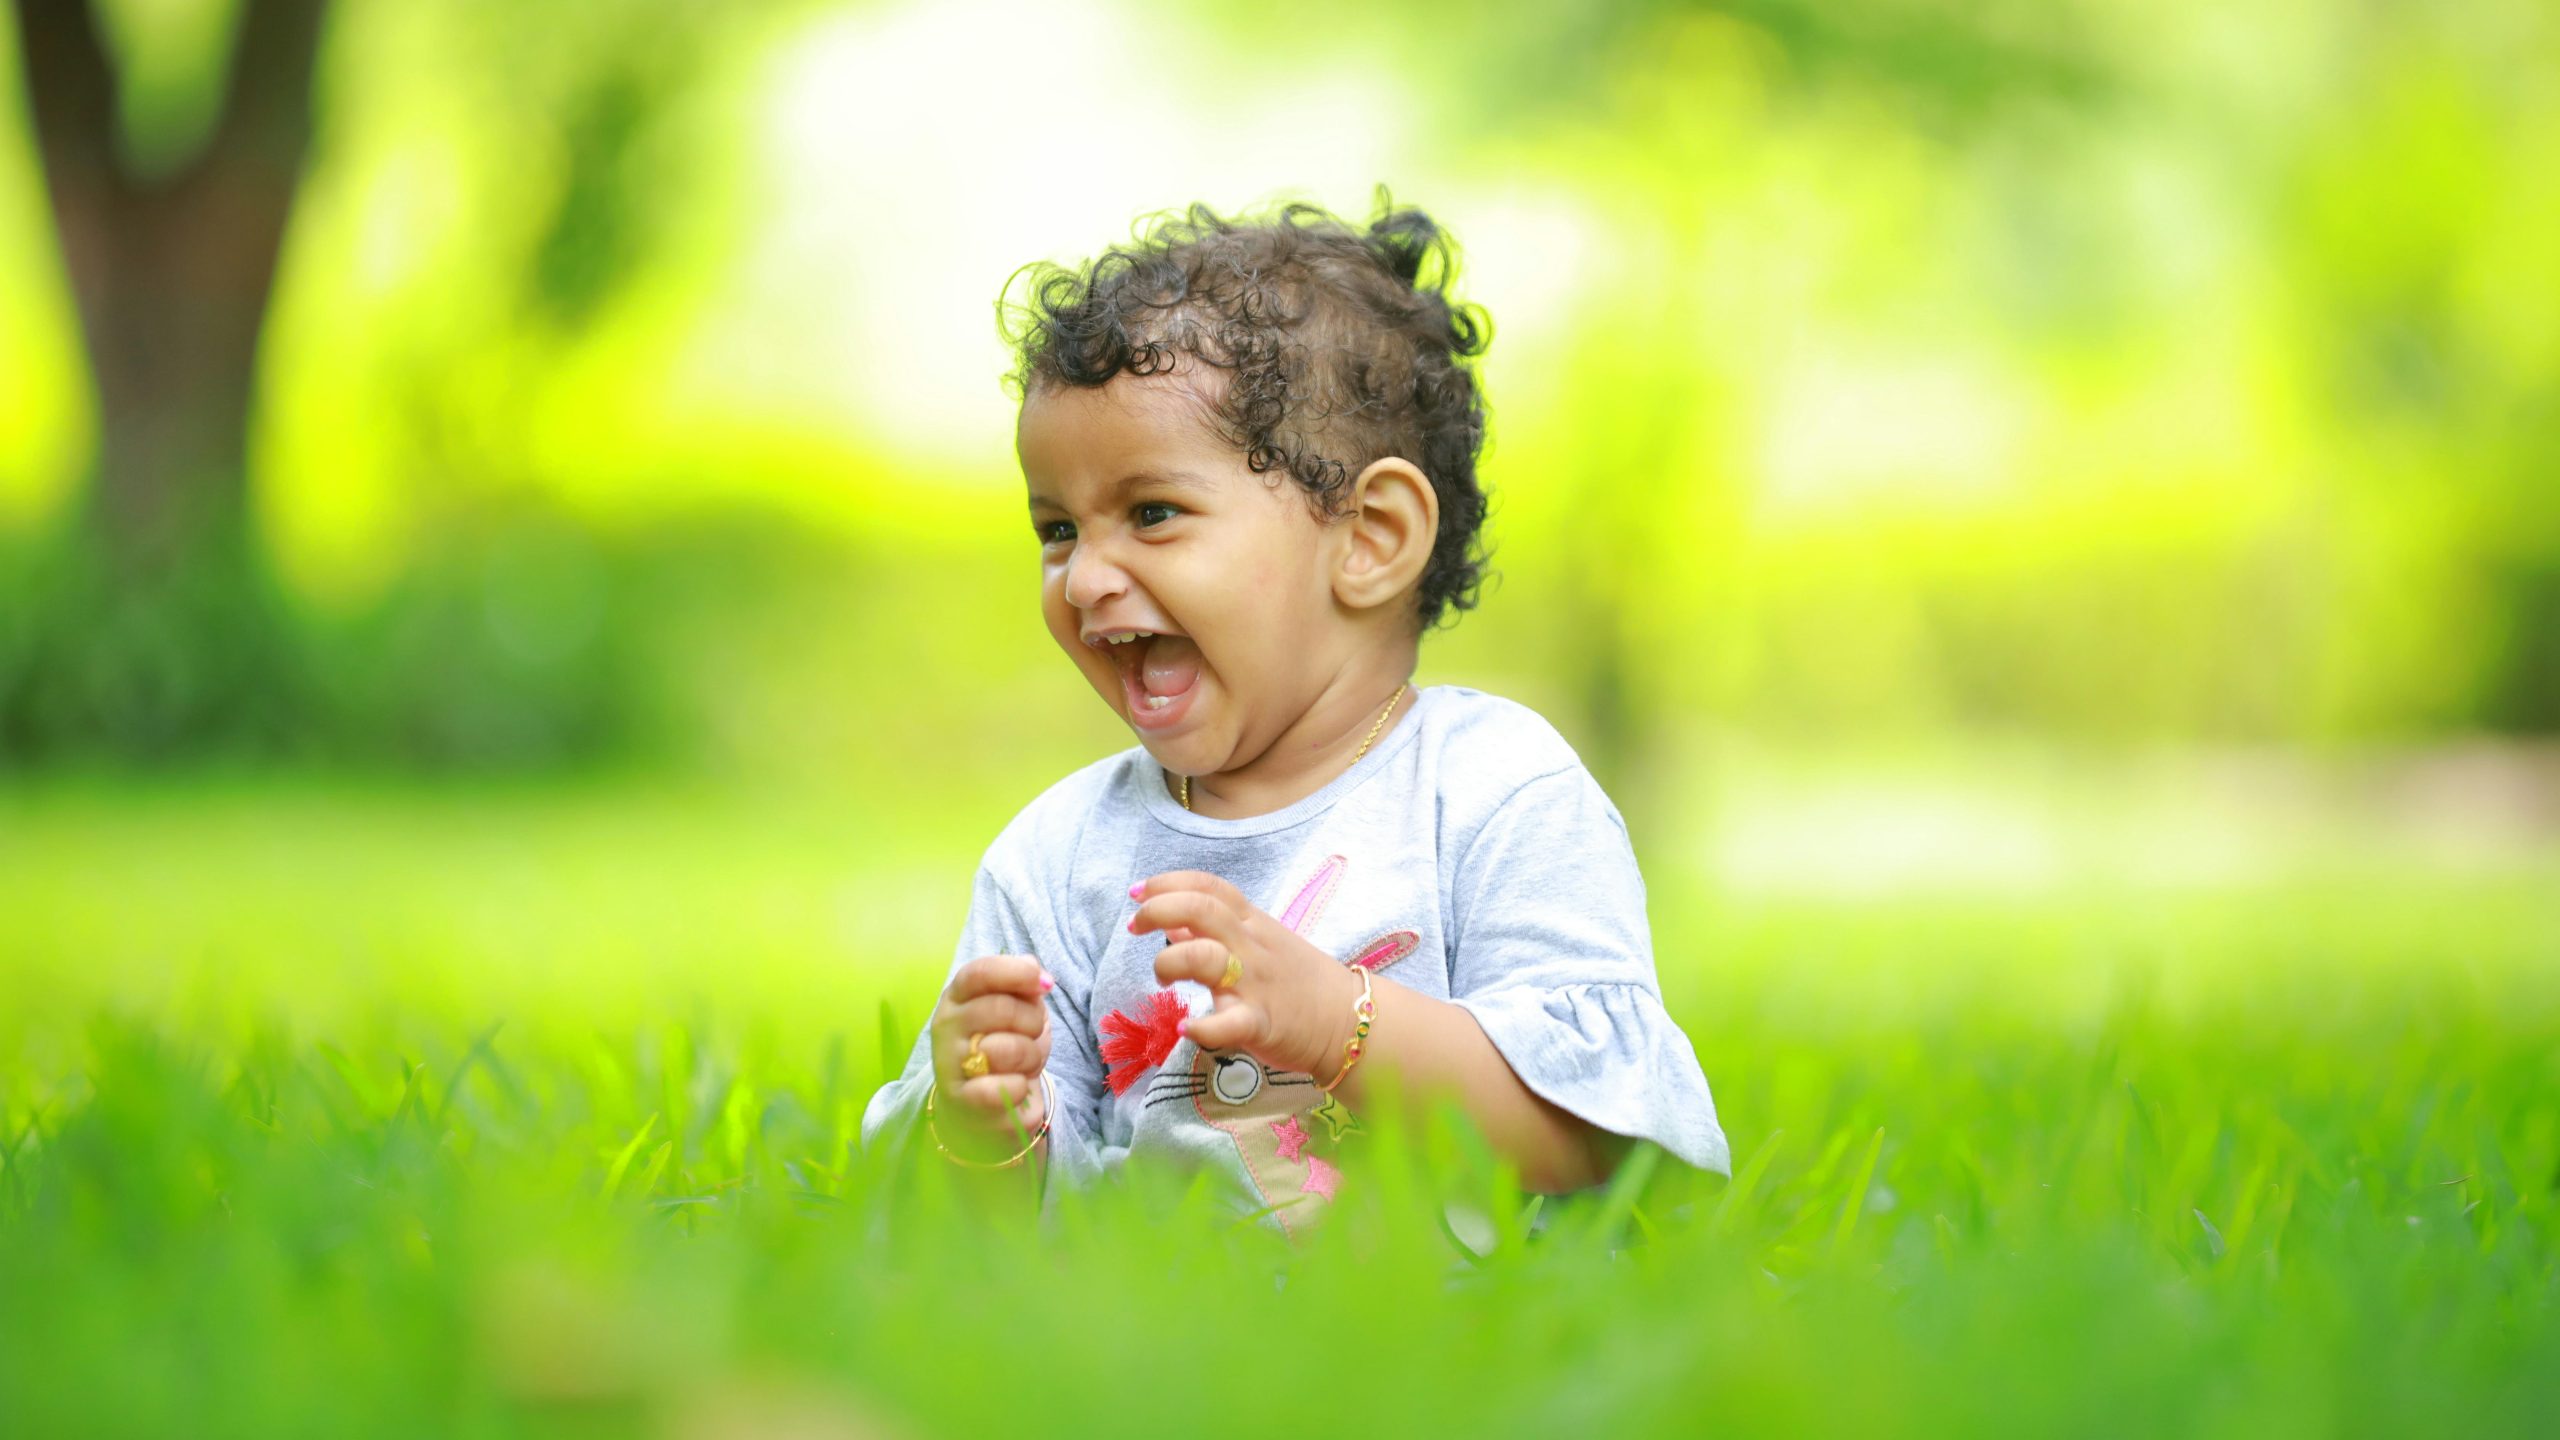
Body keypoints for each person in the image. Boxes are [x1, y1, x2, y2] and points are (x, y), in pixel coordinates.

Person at [860, 197, 1727, 1236]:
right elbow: (964, 1237)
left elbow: (1606, 1140)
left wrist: (1338, 1024)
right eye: (1055, 528)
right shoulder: (1056, 857)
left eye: (1151, 513)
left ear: (1368, 538)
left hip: (1464, 1349)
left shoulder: (1493, 792)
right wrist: (981, 1127)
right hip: (1157, 1344)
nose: (1086, 577)